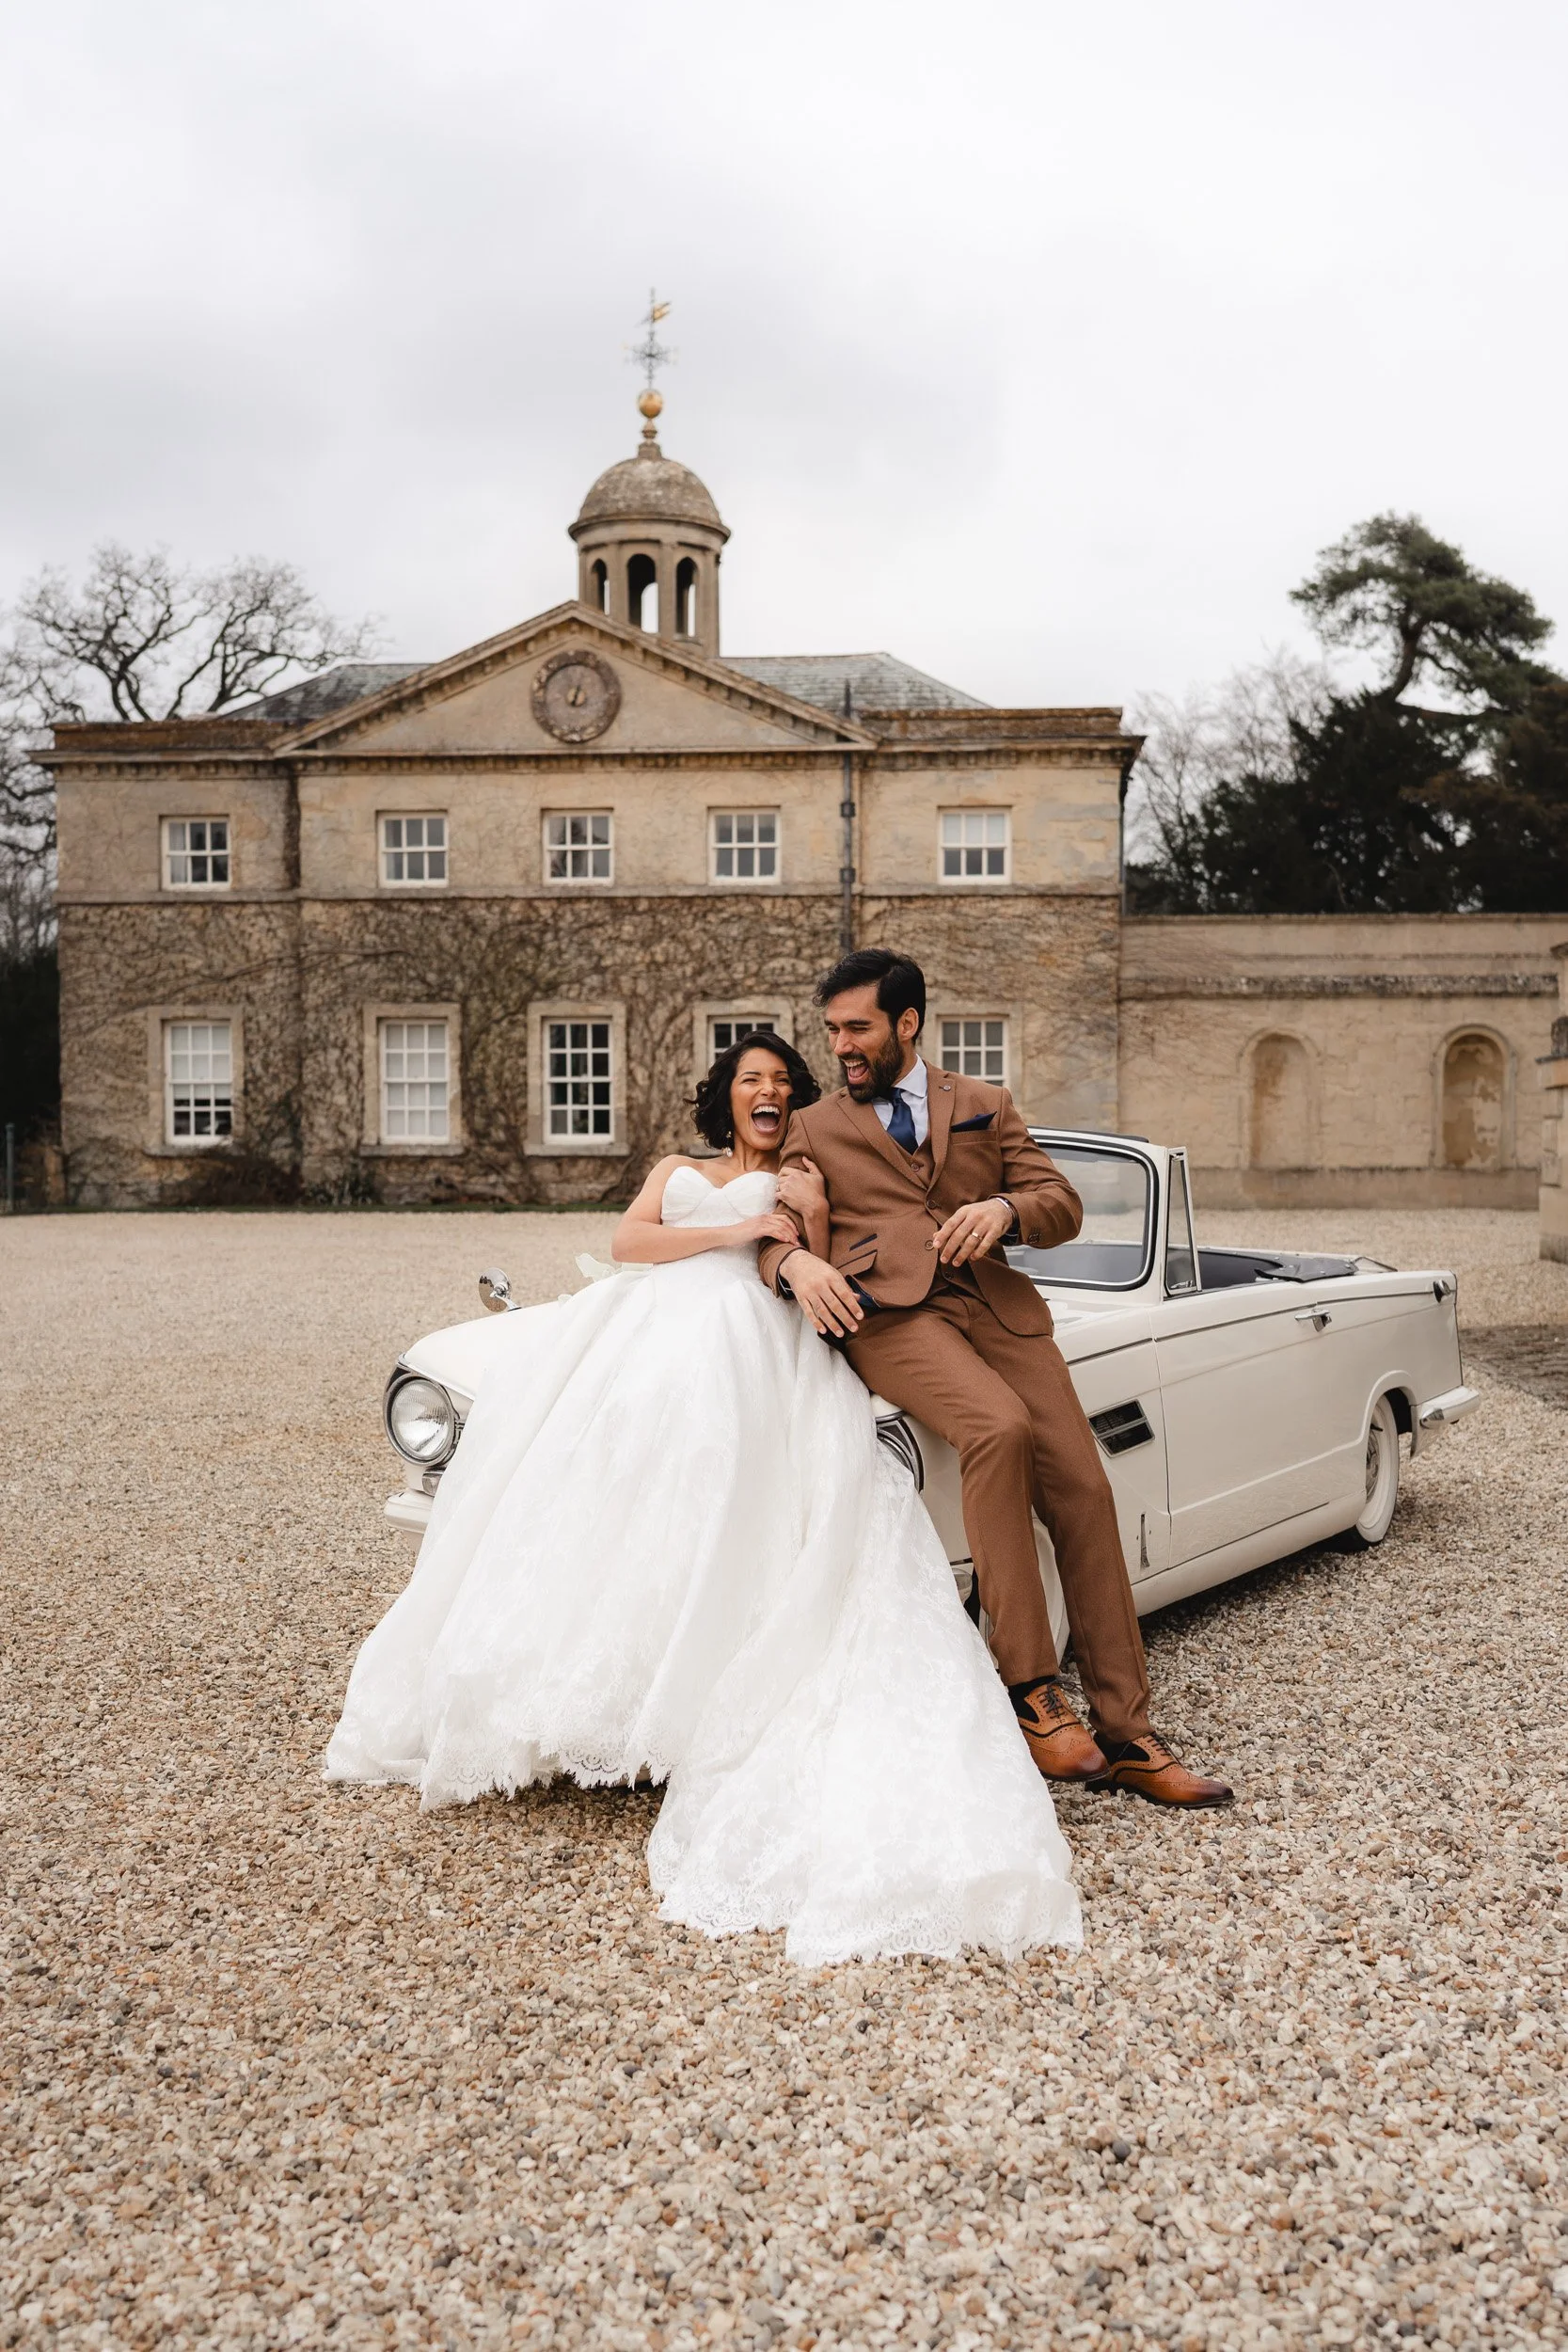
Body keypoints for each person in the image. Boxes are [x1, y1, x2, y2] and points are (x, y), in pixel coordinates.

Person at [325, 1031, 1082, 1964]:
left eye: (777, 1081)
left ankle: (694, 1709)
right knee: (600, 1491)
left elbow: (824, 1246)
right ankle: (583, 1703)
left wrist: (792, 1228)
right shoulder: (681, 1166)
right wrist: (735, 1227)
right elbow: (628, 1239)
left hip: (746, 1335)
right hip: (651, 1322)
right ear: (723, 1098)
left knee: (727, 1487)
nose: (763, 1092)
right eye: (746, 1081)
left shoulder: (807, 1171)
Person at [757, 950, 1233, 1811]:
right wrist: (791, 1261)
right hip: (895, 1317)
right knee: (995, 1429)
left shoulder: (985, 1105)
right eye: (831, 1031)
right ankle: (1032, 1691)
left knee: (1086, 1489)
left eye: (856, 1028)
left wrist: (1007, 1210)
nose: (841, 1047)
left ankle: (1128, 1734)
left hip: (1000, 1308)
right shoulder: (817, 1123)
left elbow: (1059, 1201)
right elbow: (777, 1219)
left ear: (907, 1023)